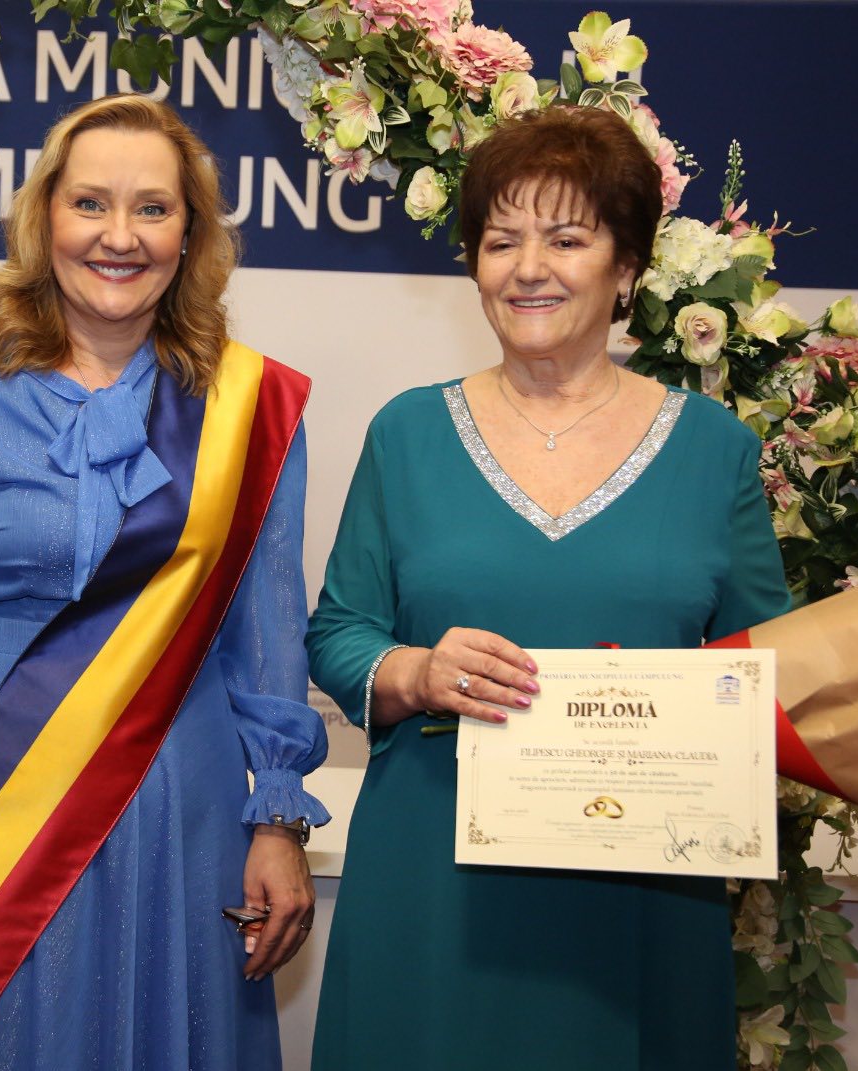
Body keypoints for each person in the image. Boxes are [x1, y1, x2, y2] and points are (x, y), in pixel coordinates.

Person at [0, 94, 328, 1071]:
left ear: (190, 234)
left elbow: (268, 633)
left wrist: (276, 820)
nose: (119, 236)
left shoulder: (251, 405)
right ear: (42, 217)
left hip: (184, 803)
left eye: (153, 209)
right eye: (90, 203)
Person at [306, 105, 790, 1070]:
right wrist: (415, 671)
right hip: (435, 876)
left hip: (642, 888)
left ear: (627, 267)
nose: (529, 268)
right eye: (501, 241)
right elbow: (339, 634)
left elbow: (764, 673)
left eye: (567, 239)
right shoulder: (407, 433)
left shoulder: (715, 451)